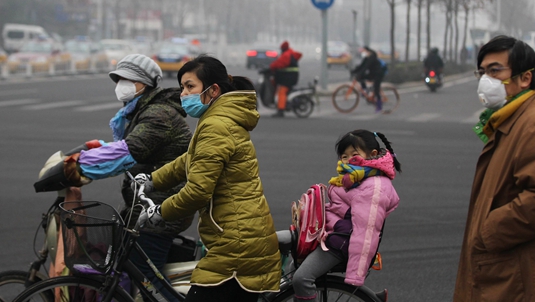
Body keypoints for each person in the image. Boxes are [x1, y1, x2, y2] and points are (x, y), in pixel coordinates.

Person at [133, 55, 281, 302]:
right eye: (182, 87)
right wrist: (152, 181)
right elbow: (189, 160)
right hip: (239, 234)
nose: (183, 93)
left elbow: (198, 191)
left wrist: (160, 212)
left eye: (190, 86)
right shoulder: (216, 119)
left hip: (236, 243)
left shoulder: (216, 125)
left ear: (213, 90)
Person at [62, 54, 193, 301]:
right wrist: (93, 150)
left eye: (128, 79)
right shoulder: (143, 110)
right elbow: (126, 146)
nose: (121, 84)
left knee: (145, 279)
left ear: (144, 83)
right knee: (134, 273)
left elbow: (129, 151)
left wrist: (78, 167)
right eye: (118, 78)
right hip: (148, 206)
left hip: (160, 211)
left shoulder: (158, 114)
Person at [454, 35, 535, 301]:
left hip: (520, 278)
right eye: (482, 72)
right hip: (506, 271)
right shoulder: (510, 119)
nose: (485, 79)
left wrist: (487, 233)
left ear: (525, 78)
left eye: (495, 70)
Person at [292, 129, 401, 301]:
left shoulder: (372, 187)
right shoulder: (355, 178)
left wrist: (355, 274)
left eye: (354, 154)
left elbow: (366, 233)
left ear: (372, 154)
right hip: (331, 236)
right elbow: (340, 209)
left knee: (301, 278)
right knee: (288, 257)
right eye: (344, 156)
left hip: (340, 244)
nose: (348, 160)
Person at [268, 40, 303, 117]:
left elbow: (279, 63)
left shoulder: (286, 55)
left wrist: (271, 67)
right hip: (290, 77)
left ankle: (281, 110)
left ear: (283, 48)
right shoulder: (290, 53)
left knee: (282, 91)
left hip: (288, 78)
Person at [351, 46, 386, 112]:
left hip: (378, 74)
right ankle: (365, 90)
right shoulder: (366, 58)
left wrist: (359, 74)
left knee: (376, 90)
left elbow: (365, 67)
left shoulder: (372, 57)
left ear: (368, 51)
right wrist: (353, 71)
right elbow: (361, 66)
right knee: (361, 78)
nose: (363, 52)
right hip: (372, 74)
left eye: (364, 51)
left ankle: (379, 106)